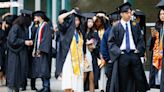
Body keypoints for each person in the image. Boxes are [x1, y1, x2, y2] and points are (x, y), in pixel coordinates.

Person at [108, 2, 149, 92]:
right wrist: (118, 51)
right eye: (127, 12)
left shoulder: (135, 25)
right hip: (122, 55)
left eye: (130, 12)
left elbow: (140, 39)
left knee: (138, 77)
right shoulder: (116, 26)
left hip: (134, 54)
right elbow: (111, 42)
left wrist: (138, 49)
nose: (129, 14)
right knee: (123, 78)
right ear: (122, 14)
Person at [57, 9, 84, 92]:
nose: (77, 22)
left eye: (78, 20)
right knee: (68, 83)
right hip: (68, 59)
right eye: (75, 20)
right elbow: (60, 18)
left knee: (76, 84)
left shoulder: (79, 32)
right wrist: (70, 12)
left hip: (78, 61)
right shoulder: (66, 30)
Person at [6, 9, 33, 92]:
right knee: (14, 77)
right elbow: (12, 41)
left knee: (18, 78)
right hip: (15, 56)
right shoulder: (16, 27)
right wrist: (24, 42)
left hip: (20, 55)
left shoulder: (22, 27)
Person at [31, 11, 52, 92]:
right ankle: (44, 86)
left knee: (45, 69)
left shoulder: (46, 25)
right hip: (40, 51)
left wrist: (41, 49)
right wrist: (35, 49)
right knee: (42, 69)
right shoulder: (39, 26)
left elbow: (46, 39)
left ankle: (47, 87)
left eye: (36, 17)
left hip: (44, 52)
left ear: (40, 17)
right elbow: (37, 39)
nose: (34, 18)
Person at [100, 11, 120, 92]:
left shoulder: (121, 30)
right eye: (115, 21)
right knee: (110, 81)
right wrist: (108, 59)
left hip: (119, 60)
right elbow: (103, 48)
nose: (117, 22)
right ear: (112, 22)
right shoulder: (107, 32)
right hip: (110, 61)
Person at [153, 1, 164, 92]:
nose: (162, 16)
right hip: (161, 53)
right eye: (160, 14)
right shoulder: (160, 26)